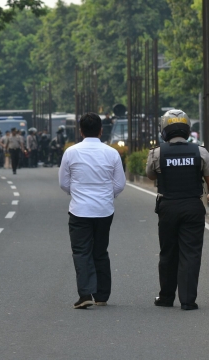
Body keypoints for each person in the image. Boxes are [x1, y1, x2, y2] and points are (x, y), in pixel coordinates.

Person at [146, 109, 209, 311]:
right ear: (187, 129)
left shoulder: (157, 153)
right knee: (191, 253)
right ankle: (188, 301)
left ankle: (167, 297)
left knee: (168, 253)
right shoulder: (200, 152)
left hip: (167, 207)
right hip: (193, 207)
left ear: (164, 130)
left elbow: (150, 175)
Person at [59, 112, 126, 309]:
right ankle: (102, 295)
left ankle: (85, 293)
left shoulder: (71, 152)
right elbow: (120, 184)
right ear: (101, 130)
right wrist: (105, 196)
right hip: (104, 210)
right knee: (100, 251)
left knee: (81, 251)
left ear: (80, 131)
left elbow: (63, 183)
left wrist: (79, 194)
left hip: (79, 210)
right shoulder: (112, 153)